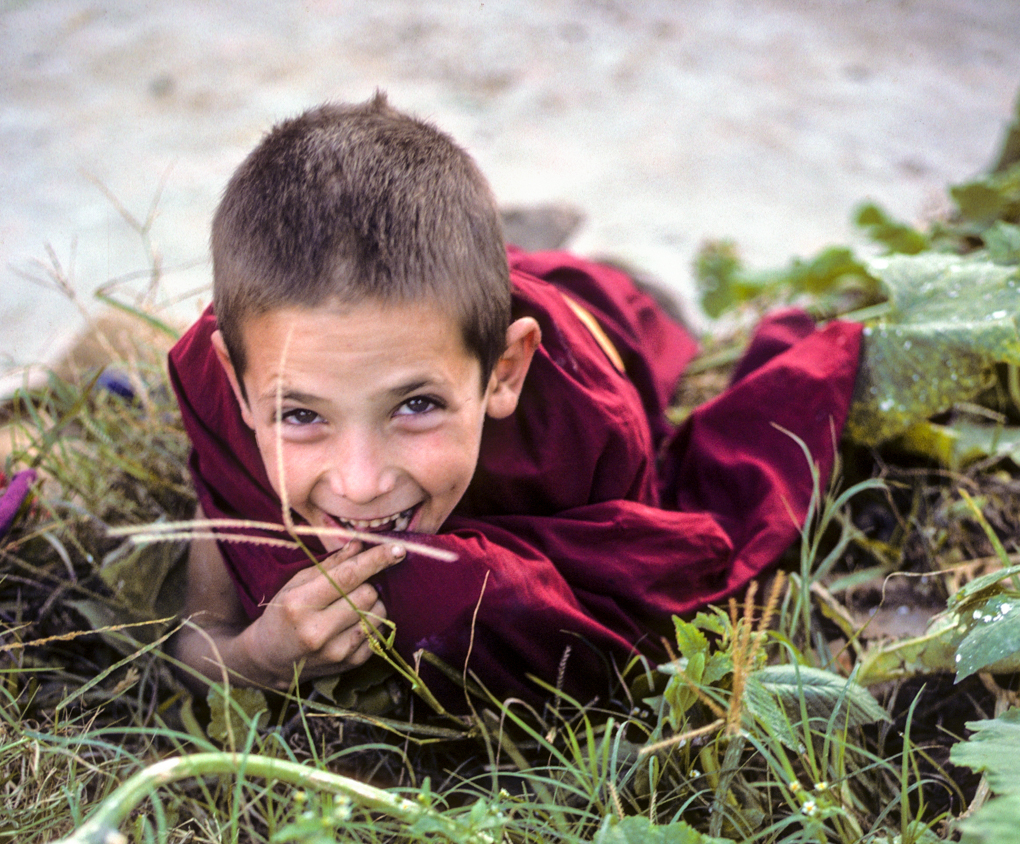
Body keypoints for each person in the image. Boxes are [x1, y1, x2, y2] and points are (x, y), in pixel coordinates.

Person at [167, 92, 862, 708]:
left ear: (504, 373)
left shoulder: (585, 420)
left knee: (641, 303)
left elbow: (646, 586)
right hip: (443, 318)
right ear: (239, 384)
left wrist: (480, 590)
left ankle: (578, 263)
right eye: (302, 415)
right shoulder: (233, 394)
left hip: (591, 323)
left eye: (415, 406)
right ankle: (506, 251)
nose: (361, 481)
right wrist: (260, 658)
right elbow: (195, 644)